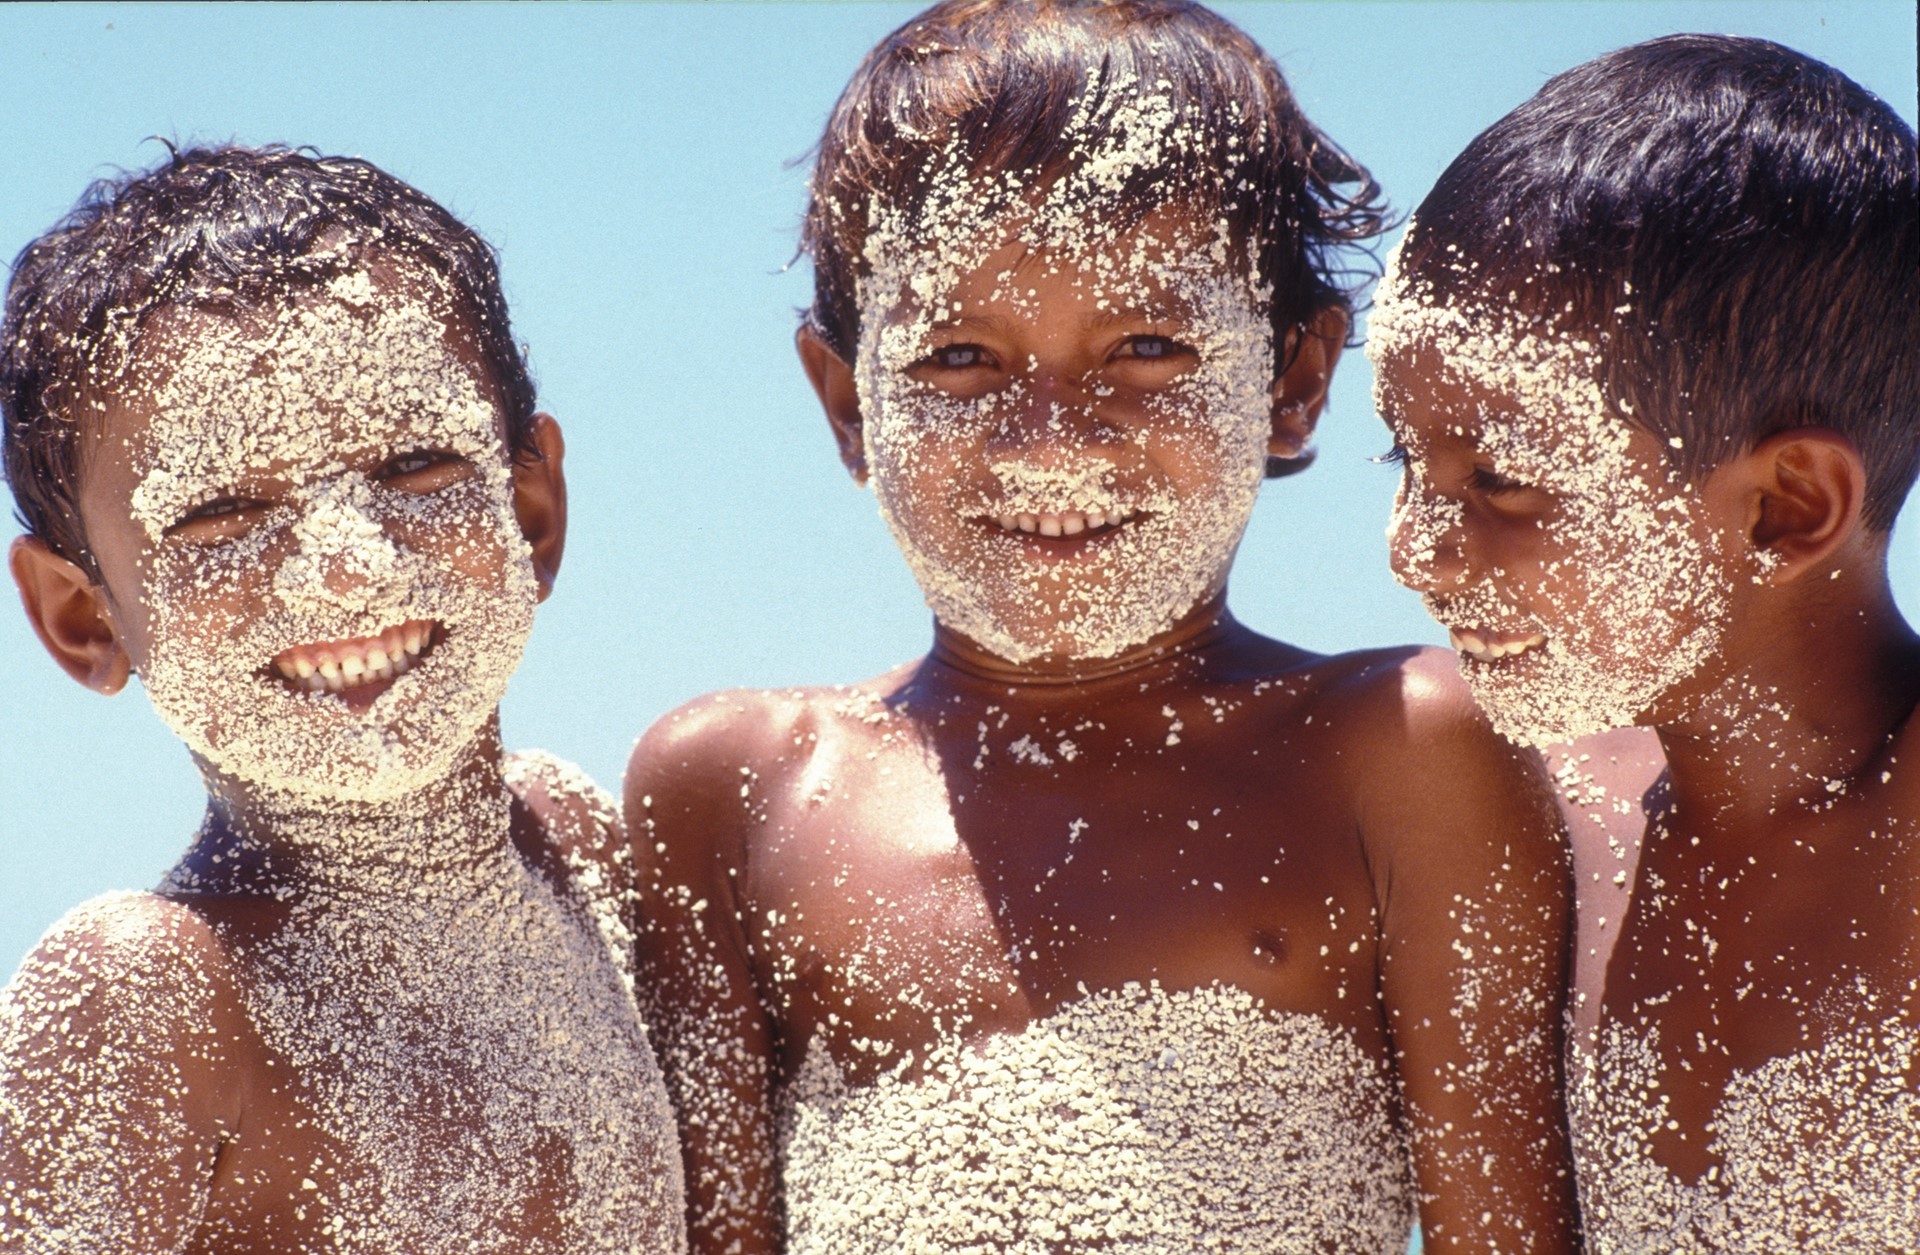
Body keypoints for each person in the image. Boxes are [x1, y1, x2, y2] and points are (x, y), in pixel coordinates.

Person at [631, 3, 1580, 1251]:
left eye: (1147, 345)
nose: (1051, 439)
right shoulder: (736, 792)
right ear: (846, 402)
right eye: (960, 358)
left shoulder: (1405, 752)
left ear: (1294, 382)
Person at [0, 146, 686, 1252]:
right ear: (84, 616)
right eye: (219, 512)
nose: (347, 565)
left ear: (533, 512)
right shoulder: (146, 997)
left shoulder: (581, 855)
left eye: (415, 464)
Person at [1371, 33, 1920, 1250]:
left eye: (1502, 477)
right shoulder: (1545, 838)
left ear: (1786, 509)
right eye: (1403, 459)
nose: (1412, 547)